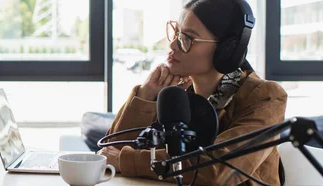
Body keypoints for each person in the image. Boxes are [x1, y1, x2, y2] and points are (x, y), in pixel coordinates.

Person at [99, 0, 287, 185]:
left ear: (226, 50)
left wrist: (127, 160)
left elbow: (217, 171)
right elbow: (109, 154)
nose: (173, 46)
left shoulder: (265, 97)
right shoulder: (177, 97)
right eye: (176, 33)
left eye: (187, 38)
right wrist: (146, 95)